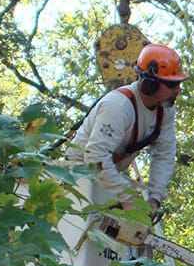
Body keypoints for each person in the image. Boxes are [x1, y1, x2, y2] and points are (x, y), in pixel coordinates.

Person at [66, 43, 187, 221]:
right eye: (171, 84)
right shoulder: (118, 106)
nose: (177, 90)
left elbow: (165, 155)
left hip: (106, 177)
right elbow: (95, 157)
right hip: (77, 176)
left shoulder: (165, 111)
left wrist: (154, 199)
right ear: (149, 84)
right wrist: (128, 198)